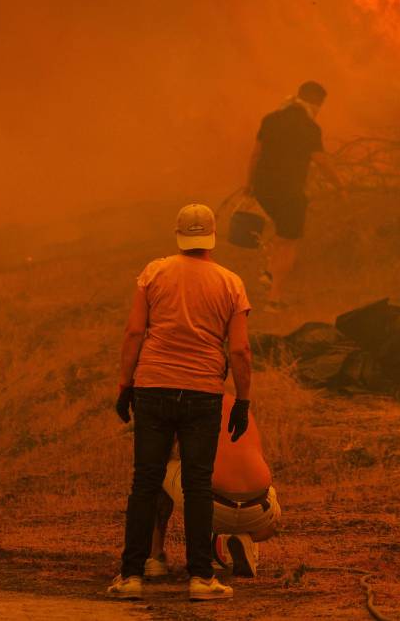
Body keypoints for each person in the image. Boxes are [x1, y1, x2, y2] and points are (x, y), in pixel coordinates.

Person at [107, 204, 253, 602]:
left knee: (145, 482)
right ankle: (201, 578)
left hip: (152, 388)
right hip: (203, 392)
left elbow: (135, 332)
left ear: (179, 235)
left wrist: (125, 385)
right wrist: (242, 400)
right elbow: (239, 350)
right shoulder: (230, 282)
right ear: (212, 236)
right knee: (198, 485)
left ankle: (131, 576)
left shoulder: (154, 272)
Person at [144, 392, 280, 580]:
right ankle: (243, 539)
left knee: (156, 471)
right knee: (264, 491)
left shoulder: (187, 401)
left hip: (212, 507)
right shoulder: (239, 405)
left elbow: (161, 451)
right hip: (260, 513)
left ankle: (154, 557)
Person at [245, 80, 343, 310]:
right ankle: (274, 299)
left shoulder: (270, 119)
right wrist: (340, 185)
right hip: (290, 191)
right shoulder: (309, 127)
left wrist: (249, 186)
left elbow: (255, 155)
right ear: (317, 103)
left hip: (263, 188)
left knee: (282, 232)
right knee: (290, 242)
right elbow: (320, 161)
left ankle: (269, 273)